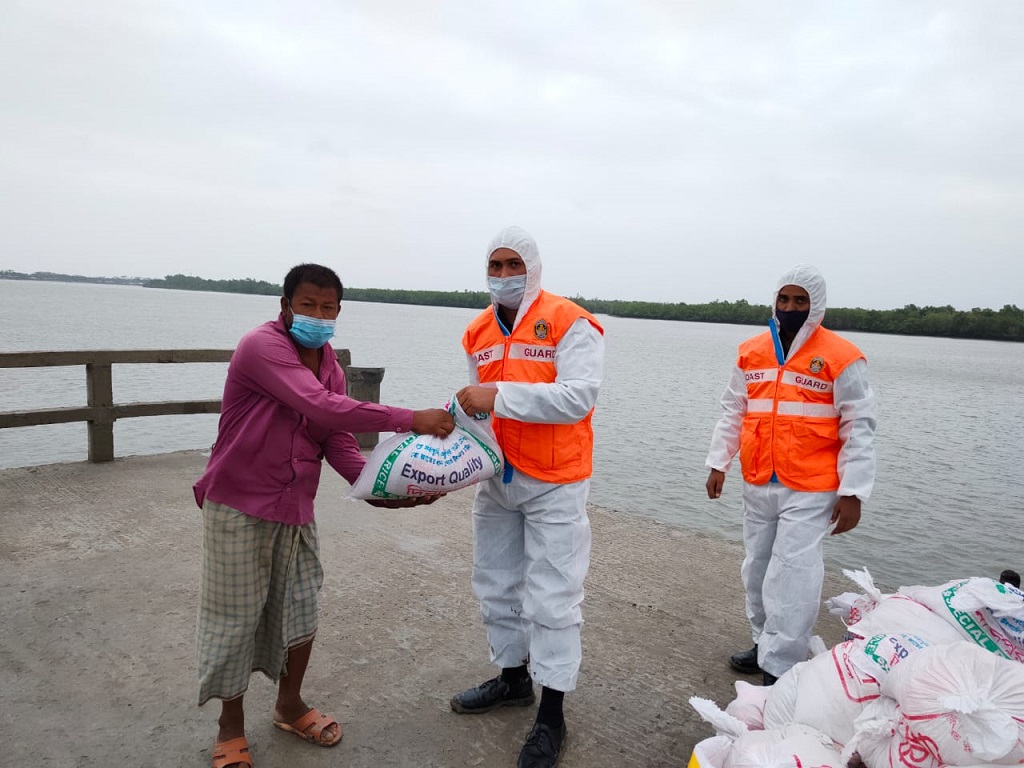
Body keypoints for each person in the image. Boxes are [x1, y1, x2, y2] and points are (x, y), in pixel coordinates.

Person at [193, 263, 454, 768]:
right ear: (285, 306)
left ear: (338, 311)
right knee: (235, 618)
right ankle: (230, 725)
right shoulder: (261, 347)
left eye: (327, 307)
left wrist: (382, 489)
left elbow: (335, 436)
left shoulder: (330, 365)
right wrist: (411, 419)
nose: (318, 314)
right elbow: (323, 406)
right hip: (239, 503)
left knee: (300, 608)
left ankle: (289, 705)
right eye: (307, 305)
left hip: (294, 507)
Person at [451, 226, 604, 768]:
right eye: (495, 266)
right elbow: (476, 408)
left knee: (554, 598)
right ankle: (513, 678)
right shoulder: (477, 331)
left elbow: (578, 397)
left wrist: (499, 396)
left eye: (513, 265)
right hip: (497, 477)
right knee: (494, 582)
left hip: (556, 481)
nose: (503, 275)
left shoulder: (570, 321)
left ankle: (552, 714)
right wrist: (453, 456)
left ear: (533, 267)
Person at [705, 264, 876, 687]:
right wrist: (719, 462)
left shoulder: (841, 356)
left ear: (816, 305)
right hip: (759, 478)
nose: (790, 307)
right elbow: (734, 410)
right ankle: (762, 641)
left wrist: (853, 491)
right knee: (757, 568)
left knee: (794, 574)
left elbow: (858, 425)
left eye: (800, 300)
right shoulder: (752, 351)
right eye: (784, 299)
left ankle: (780, 666)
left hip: (812, 486)